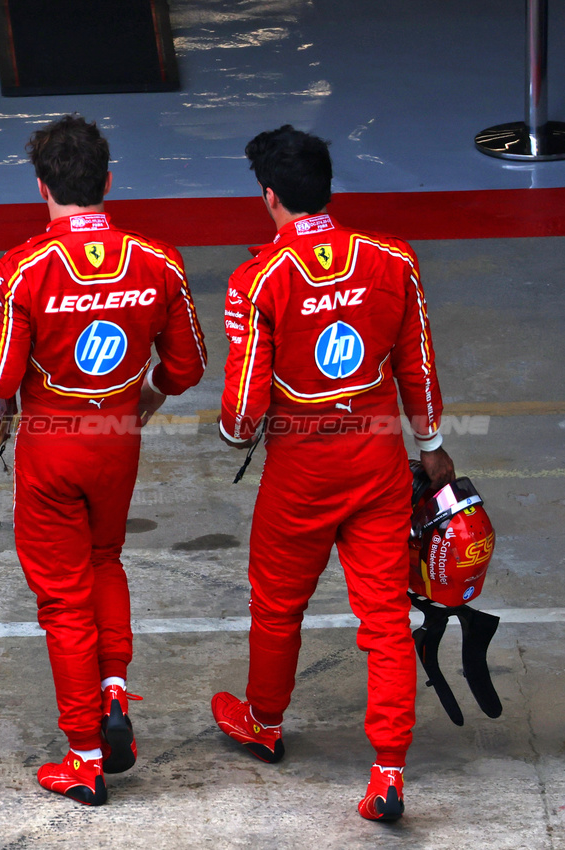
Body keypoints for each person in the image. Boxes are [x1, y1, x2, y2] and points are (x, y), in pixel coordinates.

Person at [0, 114, 207, 806]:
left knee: (63, 602)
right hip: (117, 441)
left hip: (51, 451)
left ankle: (84, 755)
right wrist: (141, 402)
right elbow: (187, 366)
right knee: (105, 560)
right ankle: (114, 689)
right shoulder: (159, 260)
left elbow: (0, 379)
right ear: (107, 182)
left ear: (41, 187)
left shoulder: (22, 266)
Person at [212, 125, 455, 821]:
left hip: (300, 475)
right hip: (377, 464)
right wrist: (431, 443)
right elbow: (417, 361)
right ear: (326, 186)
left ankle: (262, 722)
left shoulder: (256, 278)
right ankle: (385, 772)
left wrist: (233, 436)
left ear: (268, 197)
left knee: (276, 605)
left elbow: (243, 408)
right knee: (385, 617)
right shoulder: (391, 258)